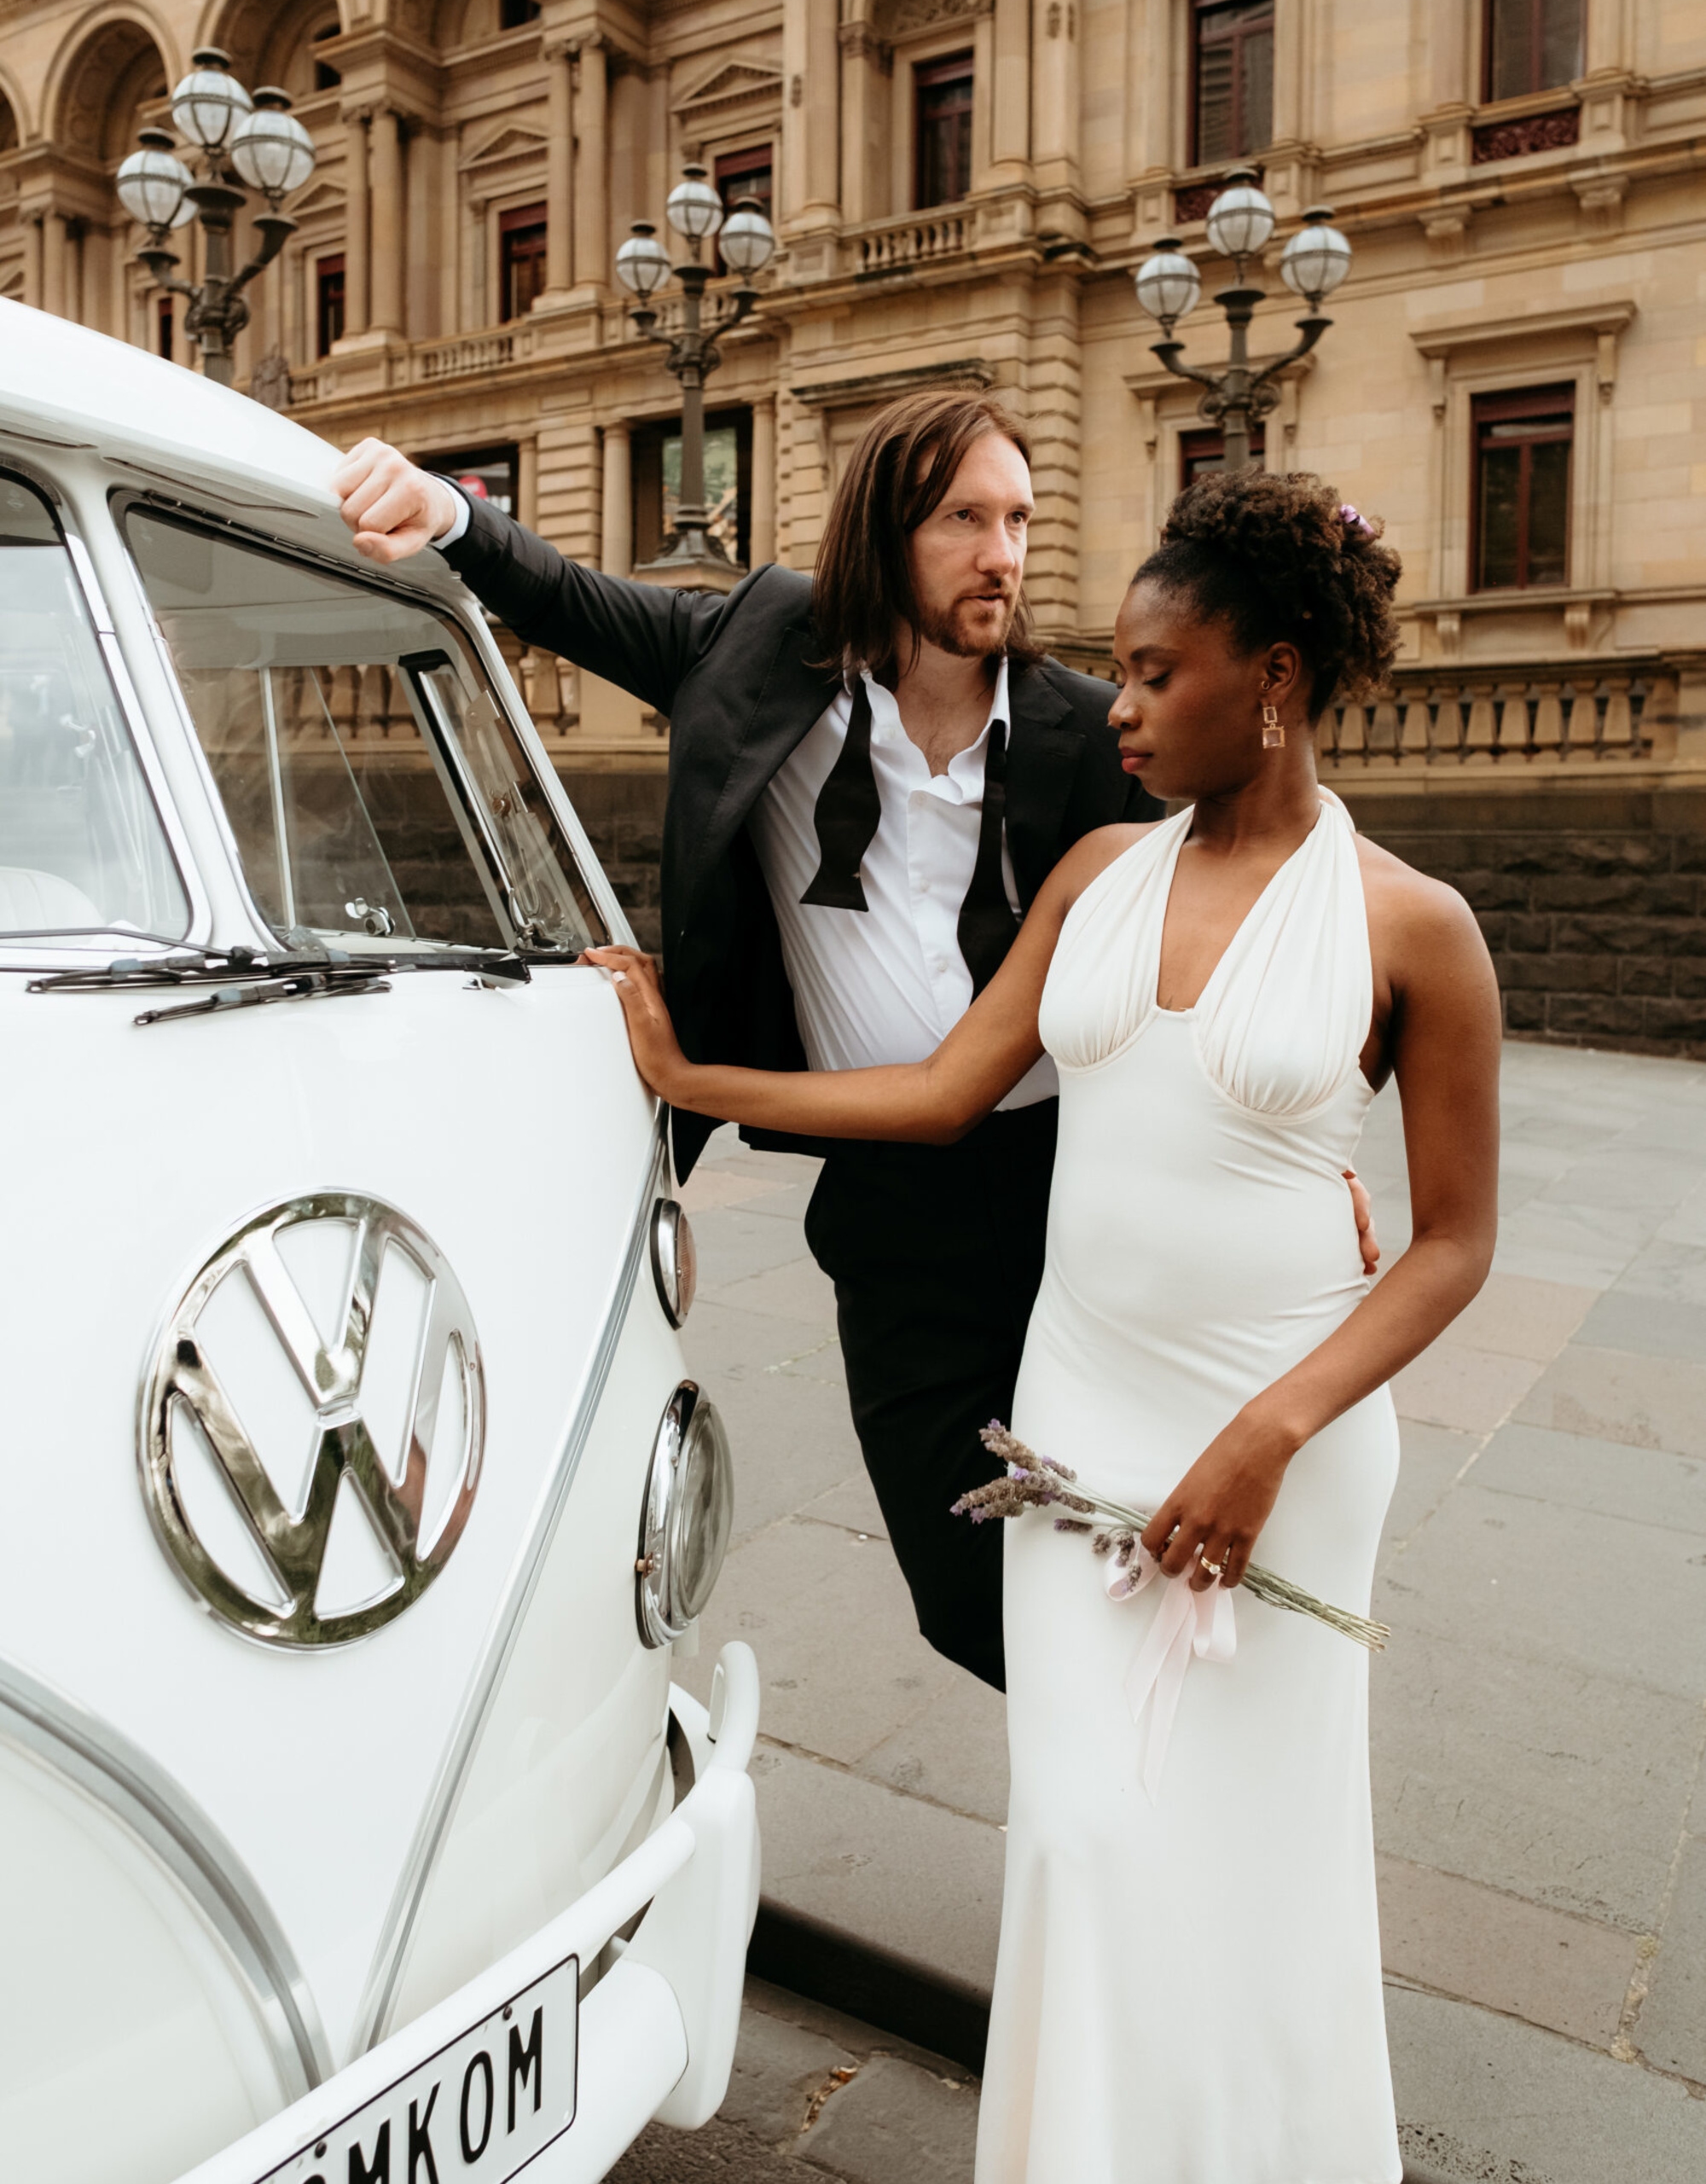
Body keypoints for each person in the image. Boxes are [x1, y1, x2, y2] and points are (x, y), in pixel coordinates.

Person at [583, 468, 1501, 2184]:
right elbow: (941, 1093)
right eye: (1123, 670)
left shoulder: (1414, 928)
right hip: (1080, 1404)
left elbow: (1451, 1242)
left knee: (1260, 1841)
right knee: (1083, 1834)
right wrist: (681, 1074)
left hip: (1281, 1432)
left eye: (1160, 673)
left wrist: (1271, 1430)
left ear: (1278, 678)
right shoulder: (1092, 870)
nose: (1122, 706)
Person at [332, 390, 1162, 1690]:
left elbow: (1229, 904)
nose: (1003, 554)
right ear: (885, 531)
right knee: (963, 1586)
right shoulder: (762, 647)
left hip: (1079, 1186)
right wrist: (444, 511)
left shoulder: (1086, 729)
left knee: (1114, 1532)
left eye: (1018, 520)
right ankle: (1117, 1753)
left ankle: (1124, 1799)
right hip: (892, 1208)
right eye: (964, 520)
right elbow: (576, 600)